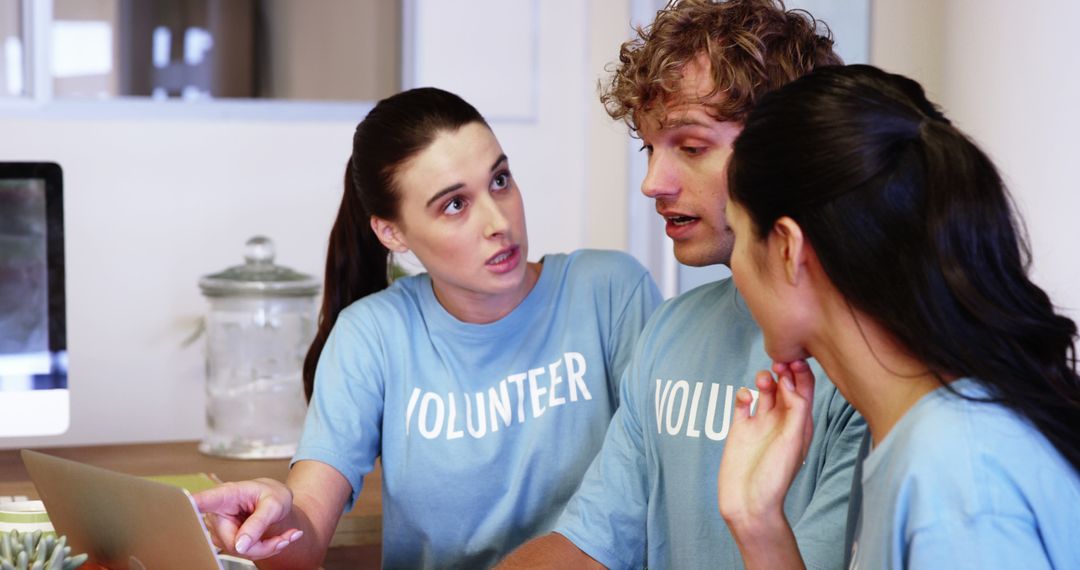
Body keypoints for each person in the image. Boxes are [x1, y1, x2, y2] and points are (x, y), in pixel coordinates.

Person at [193, 87, 663, 569]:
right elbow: (305, 537)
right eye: (454, 205)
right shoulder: (370, 335)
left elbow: (658, 488)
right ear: (392, 233)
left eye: (500, 180)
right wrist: (272, 519)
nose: (498, 221)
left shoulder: (610, 292)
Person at [499, 1, 865, 568]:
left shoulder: (868, 368)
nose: (652, 183)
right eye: (649, 148)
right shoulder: (671, 331)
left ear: (788, 151)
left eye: (690, 148)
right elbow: (589, 543)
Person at [719, 64, 1080, 569]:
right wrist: (757, 523)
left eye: (737, 236)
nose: (734, 269)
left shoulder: (954, 474)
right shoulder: (921, 443)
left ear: (786, 249)